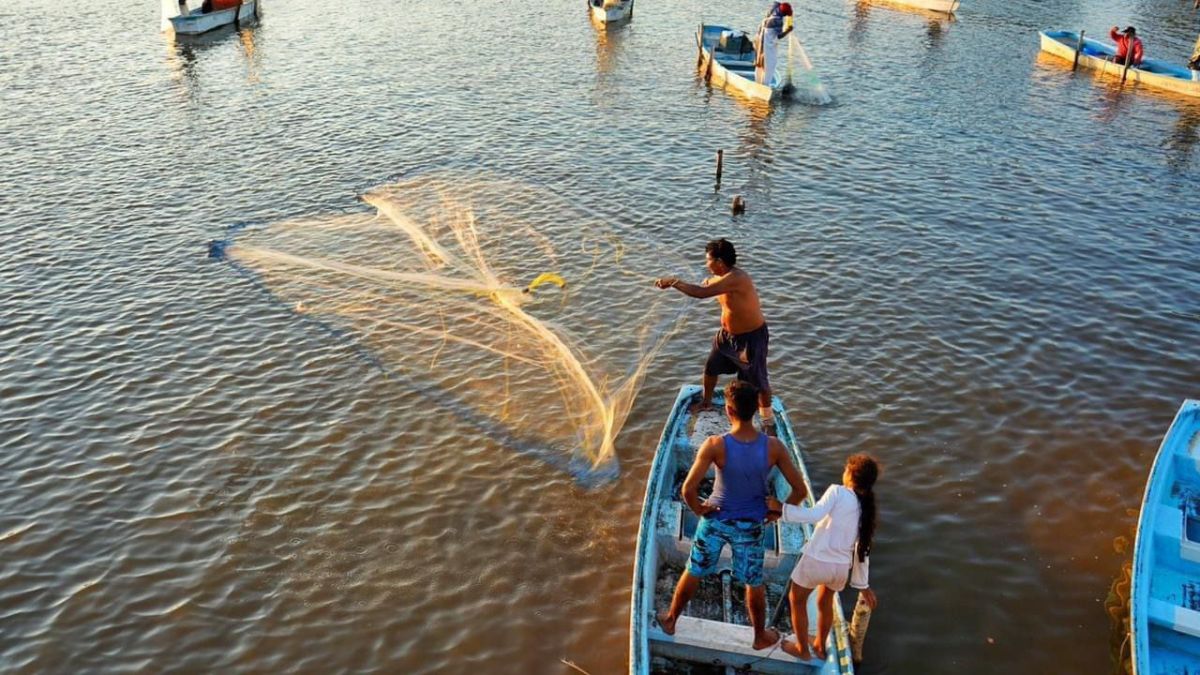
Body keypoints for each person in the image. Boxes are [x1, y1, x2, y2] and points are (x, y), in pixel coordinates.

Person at [657, 381, 809, 649]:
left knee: (694, 569)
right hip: (752, 524)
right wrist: (777, 513)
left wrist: (699, 510)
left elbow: (688, 489)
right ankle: (760, 637)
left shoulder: (715, 445)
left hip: (715, 520)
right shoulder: (773, 447)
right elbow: (800, 490)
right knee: (754, 580)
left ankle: (670, 620)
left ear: (729, 411)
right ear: (754, 411)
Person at [766, 453, 880, 662]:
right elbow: (862, 549)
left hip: (817, 561)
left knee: (796, 600)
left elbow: (813, 515)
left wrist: (781, 508)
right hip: (839, 570)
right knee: (824, 602)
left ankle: (802, 649)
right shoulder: (866, 508)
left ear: (851, 474)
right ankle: (819, 645)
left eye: (846, 469)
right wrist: (863, 585)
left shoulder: (837, 491)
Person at [655, 238, 776, 434]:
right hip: (727, 337)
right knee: (711, 368)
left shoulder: (737, 278)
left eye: (708, 260)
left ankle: (768, 421)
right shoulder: (722, 278)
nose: (706, 264)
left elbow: (701, 293)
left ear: (719, 262)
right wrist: (704, 283)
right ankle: (706, 403)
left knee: (758, 381)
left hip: (750, 339)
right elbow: (707, 285)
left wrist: (673, 282)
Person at [756, 2, 794, 86]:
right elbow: (778, 36)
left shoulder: (774, 8)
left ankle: (758, 81)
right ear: (784, 13)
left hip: (759, 36)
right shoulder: (777, 21)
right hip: (767, 41)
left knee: (760, 61)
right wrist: (788, 31)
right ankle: (765, 85)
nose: (785, 16)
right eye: (786, 15)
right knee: (770, 63)